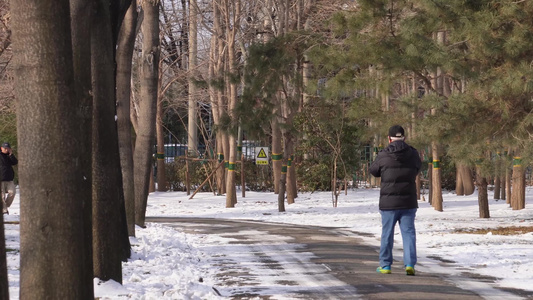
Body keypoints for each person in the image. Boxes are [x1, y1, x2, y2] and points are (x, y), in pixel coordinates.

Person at [369, 125, 421, 276]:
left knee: (387, 233)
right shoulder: (413, 153)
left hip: (388, 203)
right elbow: (418, 168)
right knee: (409, 233)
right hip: (408, 201)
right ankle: (410, 264)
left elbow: (374, 171)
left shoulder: (384, 154)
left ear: (389, 138)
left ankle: (385, 266)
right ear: (404, 137)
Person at [1, 142, 18, 214]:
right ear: (1, 148)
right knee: (2, 196)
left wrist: (11, 154)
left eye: (7, 148)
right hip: (1, 179)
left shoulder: (9, 156)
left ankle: (4, 206)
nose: (6, 149)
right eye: (5, 148)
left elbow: (15, 162)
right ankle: (4, 211)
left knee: (12, 193)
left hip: (9, 178)